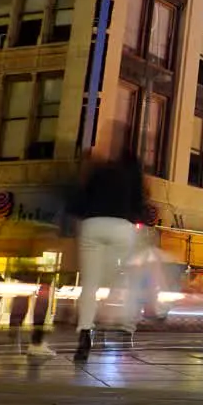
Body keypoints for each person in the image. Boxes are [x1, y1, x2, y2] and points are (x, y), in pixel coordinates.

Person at [67, 148, 151, 361]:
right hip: (121, 226)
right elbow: (140, 205)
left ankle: (85, 334)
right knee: (127, 277)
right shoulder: (132, 175)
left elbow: (77, 200)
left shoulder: (98, 171)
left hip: (92, 224)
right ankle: (124, 326)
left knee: (90, 284)